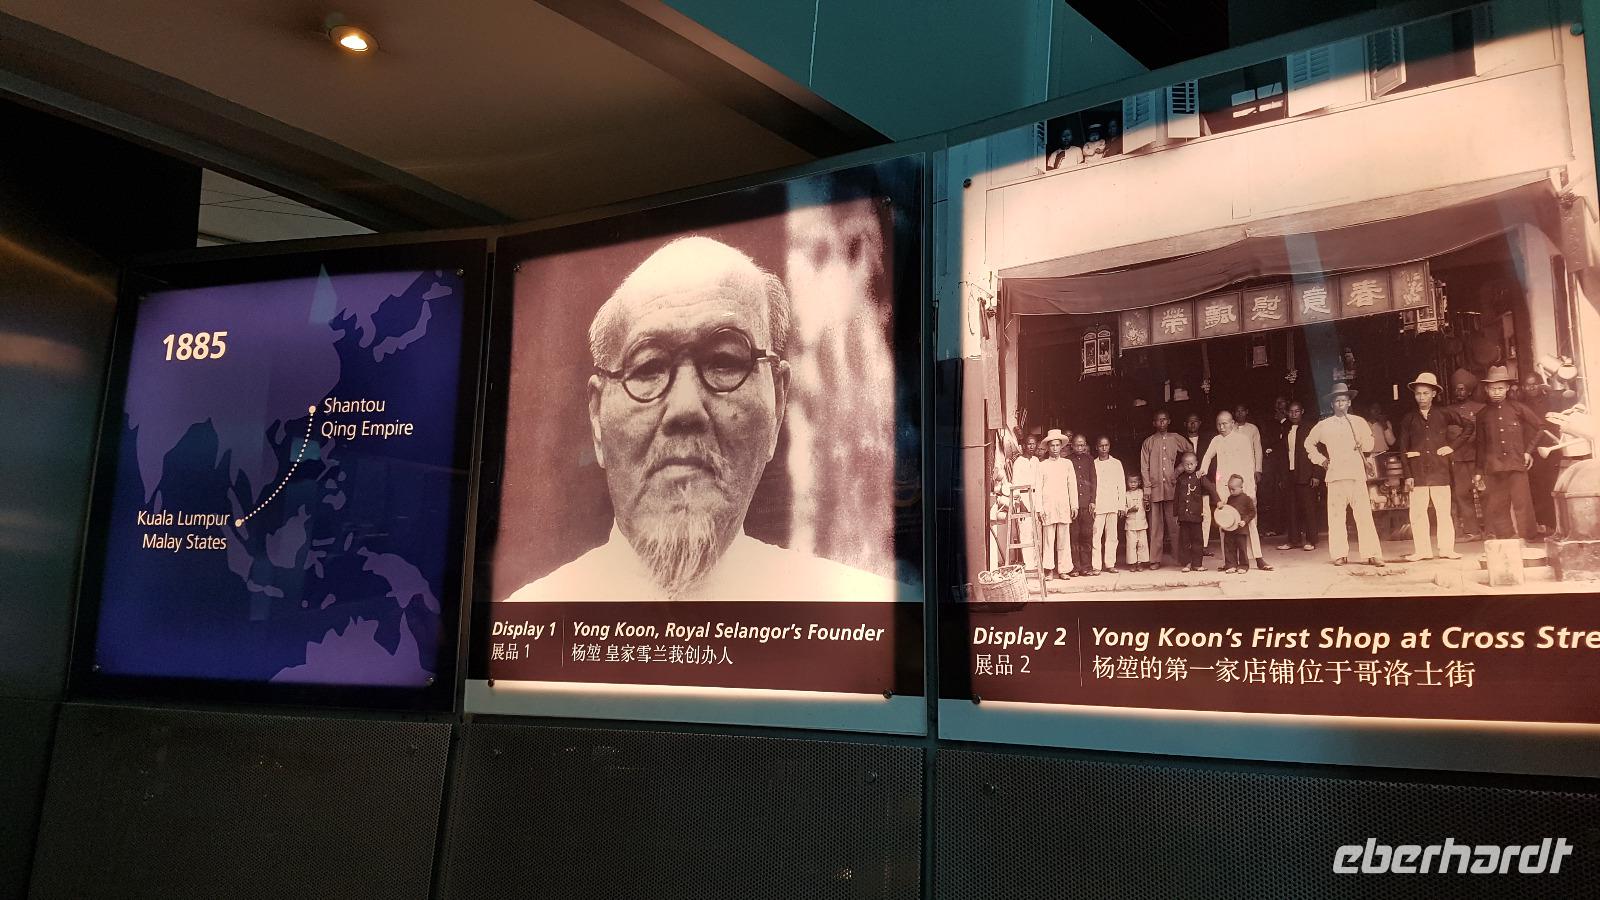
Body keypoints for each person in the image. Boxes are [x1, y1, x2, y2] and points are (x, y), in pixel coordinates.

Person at [507, 236, 895, 602]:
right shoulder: (529, 618)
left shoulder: (862, 610)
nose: (686, 408)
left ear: (777, 403)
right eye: (648, 367)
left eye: (725, 361)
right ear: (597, 417)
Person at [1304, 382, 1384, 567]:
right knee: (1336, 516)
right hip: (1335, 476)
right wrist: (1321, 460)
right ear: (1332, 404)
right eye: (1337, 401)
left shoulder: (1359, 422)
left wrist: (1362, 443)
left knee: (1364, 515)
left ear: (1349, 402)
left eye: (1344, 400)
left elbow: (1370, 445)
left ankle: (1372, 553)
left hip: (1356, 475)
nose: (1340, 404)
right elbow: (1308, 443)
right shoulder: (1324, 425)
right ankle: (1340, 554)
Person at [1399, 372, 1469, 561]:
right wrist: (1408, 474)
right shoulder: (1409, 419)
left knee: (1444, 512)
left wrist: (1452, 447)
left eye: (1425, 393)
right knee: (1418, 513)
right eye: (1418, 394)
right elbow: (1403, 448)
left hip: (1440, 470)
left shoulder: (1444, 413)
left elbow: (1468, 426)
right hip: (1418, 471)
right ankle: (1422, 551)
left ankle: (1446, 549)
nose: (1421, 397)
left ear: (1433, 394)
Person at [1473, 365, 1542, 542]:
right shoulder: (1482, 415)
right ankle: (1507, 539)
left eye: (1500, 388)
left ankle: (1528, 539)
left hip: (1517, 463)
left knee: (1522, 503)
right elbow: (1480, 445)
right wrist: (1478, 471)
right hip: (1494, 467)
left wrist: (1528, 452)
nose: (1496, 392)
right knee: (1498, 505)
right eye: (1492, 389)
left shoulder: (1518, 408)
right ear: (1486, 389)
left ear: (1507, 388)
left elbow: (1540, 427)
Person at [1200, 411, 1273, 570]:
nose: (1221, 427)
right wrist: (1203, 470)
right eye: (1219, 424)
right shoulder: (1216, 440)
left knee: (1249, 522)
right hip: (1224, 488)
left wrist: (1250, 490)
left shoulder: (1243, 439)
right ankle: (1229, 561)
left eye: (1225, 423)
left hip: (1241, 487)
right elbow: (1207, 456)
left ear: (1232, 423)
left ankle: (1258, 558)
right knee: (1225, 523)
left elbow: (1249, 464)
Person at [1140, 411, 1185, 570]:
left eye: (1164, 420)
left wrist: (1178, 470)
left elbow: (1190, 452)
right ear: (1154, 423)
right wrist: (1147, 488)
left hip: (1171, 488)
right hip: (1154, 489)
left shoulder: (1176, 438)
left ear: (1169, 421)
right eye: (1158, 420)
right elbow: (1144, 467)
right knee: (1155, 526)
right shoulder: (1148, 442)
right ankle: (1155, 559)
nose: (1161, 423)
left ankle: (1179, 557)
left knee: (1175, 524)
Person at [1447, 369, 1486, 540]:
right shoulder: (1448, 410)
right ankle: (1473, 530)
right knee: (1462, 494)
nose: (1459, 392)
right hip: (1458, 458)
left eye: (1462, 389)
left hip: (1478, 457)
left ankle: (1491, 529)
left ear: (1469, 391)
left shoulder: (1481, 408)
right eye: (1456, 389)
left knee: (1485, 492)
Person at [1277, 400, 1320, 552]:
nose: (1293, 414)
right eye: (1291, 412)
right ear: (1287, 413)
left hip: (1306, 473)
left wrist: (1316, 474)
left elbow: (1319, 452)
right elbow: (1282, 454)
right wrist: (1282, 477)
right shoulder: (1285, 429)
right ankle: (1293, 540)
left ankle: (1311, 540)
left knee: (1308, 508)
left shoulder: (1310, 428)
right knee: (1291, 508)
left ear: (1302, 411)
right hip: (1290, 474)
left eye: (1296, 411)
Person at [1036, 429, 1078, 579]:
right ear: (1048, 447)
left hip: (1063, 505)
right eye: (1052, 445)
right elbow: (1038, 487)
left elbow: (1072, 485)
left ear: (1061, 446)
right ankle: (1048, 569)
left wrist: (1074, 505)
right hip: (1048, 506)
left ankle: (1063, 569)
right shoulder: (1042, 465)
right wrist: (1039, 508)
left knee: (1064, 539)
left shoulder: (1067, 464)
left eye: (1057, 445)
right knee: (1048, 539)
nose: (1055, 448)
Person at [1173, 451, 1220, 572]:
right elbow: (1177, 497)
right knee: (1185, 541)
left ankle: (1197, 564)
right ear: (1182, 465)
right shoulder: (1180, 479)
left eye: (1191, 464)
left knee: (1198, 541)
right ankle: (1187, 563)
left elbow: (1211, 489)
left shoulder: (1200, 477)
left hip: (1196, 517)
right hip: (1184, 517)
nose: (1189, 467)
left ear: (1196, 464)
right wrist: (1176, 514)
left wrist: (1218, 501)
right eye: (1186, 464)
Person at [1091, 436, 1127, 573]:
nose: (1104, 448)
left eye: (1106, 445)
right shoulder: (1093, 464)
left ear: (1110, 446)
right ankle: (1096, 566)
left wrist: (1121, 505)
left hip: (1112, 504)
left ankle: (1110, 563)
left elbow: (1121, 485)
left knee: (1112, 536)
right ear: (1096, 447)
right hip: (1098, 505)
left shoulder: (1116, 463)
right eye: (1101, 446)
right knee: (1096, 536)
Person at [1183, 412, 1215, 555]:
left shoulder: (1207, 440)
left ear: (1200, 423)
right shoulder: (1181, 440)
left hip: (1203, 481)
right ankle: (1191, 546)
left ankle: (1204, 545)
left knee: (1205, 513)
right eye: (1190, 422)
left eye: (1195, 421)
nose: (1193, 424)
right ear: (1185, 424)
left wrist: (1211, 480)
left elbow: (1212, 461)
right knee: (1189, 514)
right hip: (1187, 483)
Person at [1011, 434, 1042, 571]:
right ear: (1024, 446)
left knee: (1037, 532)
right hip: (1023, 498)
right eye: (1029, 444)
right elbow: (1015, 484)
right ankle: (1029, 564)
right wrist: (1021, 504)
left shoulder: (1036, 461)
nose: (1031, 446)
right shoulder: (1019, 462)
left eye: (1034, 444)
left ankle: (1037, 563)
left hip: (1036, 497)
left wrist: (1040, 503)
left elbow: (1039, 482)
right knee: (1025, 533)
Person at [1068, 434, 1098, 576]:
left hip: (1086, 504)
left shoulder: (1090, 460)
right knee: (1073, 536)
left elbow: (1093, 480)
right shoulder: (1067, 460)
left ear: (1085, 445)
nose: (1079, 448)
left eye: (1082, 445)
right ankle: (1075, 567)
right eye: (1077, 445)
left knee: (1086, 535)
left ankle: (1086, 567)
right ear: (1072, 446)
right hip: (1073, 505)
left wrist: (1092, 500)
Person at [1221, 475, 1257, 574]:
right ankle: (1231, 565)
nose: (1231, 491)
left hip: (1241, 529)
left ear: (1241, 487)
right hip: (1230, 528)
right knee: (1229, 547)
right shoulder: (1229, 499)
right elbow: (1227, 512)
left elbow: (1252, 512)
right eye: (1229, 489)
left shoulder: (1246, 499)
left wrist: (1245, 521)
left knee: (1242, 548)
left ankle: (1243, 565)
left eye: (1233, 489)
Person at [1124, 473, 1150, 570]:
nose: (1133, 484)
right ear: (1127, 483)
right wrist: (1129, 510)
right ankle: (1132, 563)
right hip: (1130, 524)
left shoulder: (1142, 493)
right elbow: (1123, 508)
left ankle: (1140, 563)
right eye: (1130, 482)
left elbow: (1147, 507)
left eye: (1135, 482)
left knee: (1142, 544)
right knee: (1131, 544)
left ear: (1139, 482)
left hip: (1141, 523)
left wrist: (1147, 503)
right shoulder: (1125, 494)